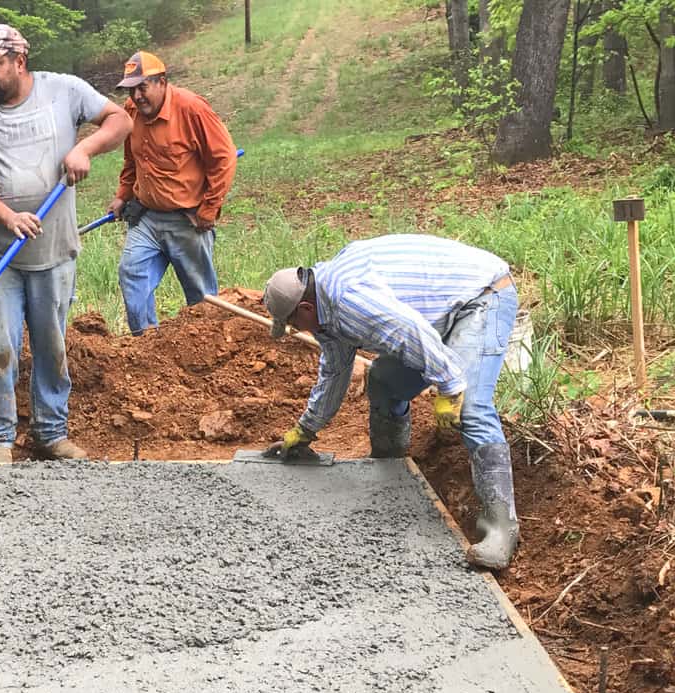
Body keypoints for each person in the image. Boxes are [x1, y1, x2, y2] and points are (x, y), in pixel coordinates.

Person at [260, 235, 523, 569]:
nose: (298, 330)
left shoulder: (348, 300)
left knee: (471, 406)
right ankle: (391, 469)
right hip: (437, 311)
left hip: (480, 297)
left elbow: (411, 332)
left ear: (306, 309)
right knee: (384, 381)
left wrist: (451, 387)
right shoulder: (327, 314)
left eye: (294, 323)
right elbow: (335, 373)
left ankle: (502, 528)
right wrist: (305, 430)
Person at [0, 23, 131, 463]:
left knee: (51, 344)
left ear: (19, 61)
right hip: (0, 252)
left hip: (54, 251)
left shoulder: (63, 91)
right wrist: (8, 216)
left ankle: (50, 433)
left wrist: (86, 149)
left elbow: (120, 120)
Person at [105, 51, 237, 334]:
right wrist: (122, 195)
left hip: (188, 221)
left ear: (162, 82)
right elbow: (132, 161)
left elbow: (224, 158)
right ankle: (146, 346)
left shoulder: (192, 109)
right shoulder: (131, 112)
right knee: (132, 273)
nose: (137, 97)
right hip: (147, 217)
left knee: (201, 298)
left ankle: (207, 351)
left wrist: (209, 209)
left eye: (143, 87)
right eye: (131, 90)